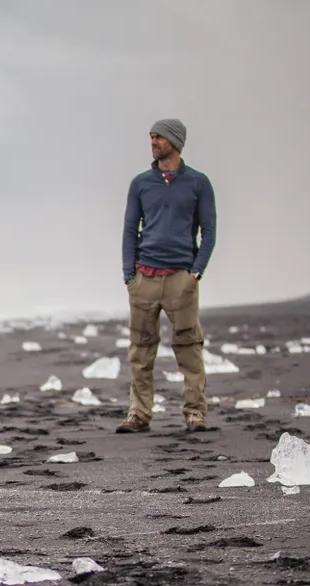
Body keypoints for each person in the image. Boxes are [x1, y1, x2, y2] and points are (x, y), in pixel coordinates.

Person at [117, 118, 216, 433]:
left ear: (175, 141)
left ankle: (195, 413)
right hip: (144, 279)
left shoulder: (199, 183)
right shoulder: (141, 183)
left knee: (189, 347)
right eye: (151, 137)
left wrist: (195, 272)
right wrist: (129, 275)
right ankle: (139, 414)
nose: (153, 142)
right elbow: (130, 230)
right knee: (140, 350)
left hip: (180, 279)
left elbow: (209, 231)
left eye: (158, 137)